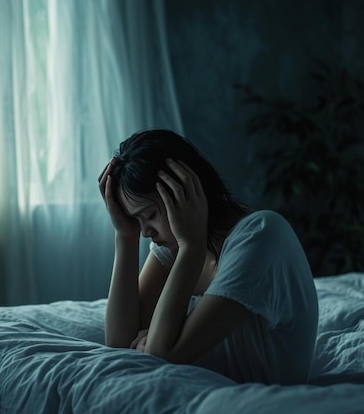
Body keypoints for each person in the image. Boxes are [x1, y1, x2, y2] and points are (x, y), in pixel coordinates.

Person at [98, 129, 318, 385]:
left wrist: (190, 246)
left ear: (186, 193)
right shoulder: (171, 245)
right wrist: (124, 236)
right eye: (137, 220)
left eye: (149, 215)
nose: (146, 232)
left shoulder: (260, 235)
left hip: (259, 400)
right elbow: (118, 343)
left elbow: (161, 354)